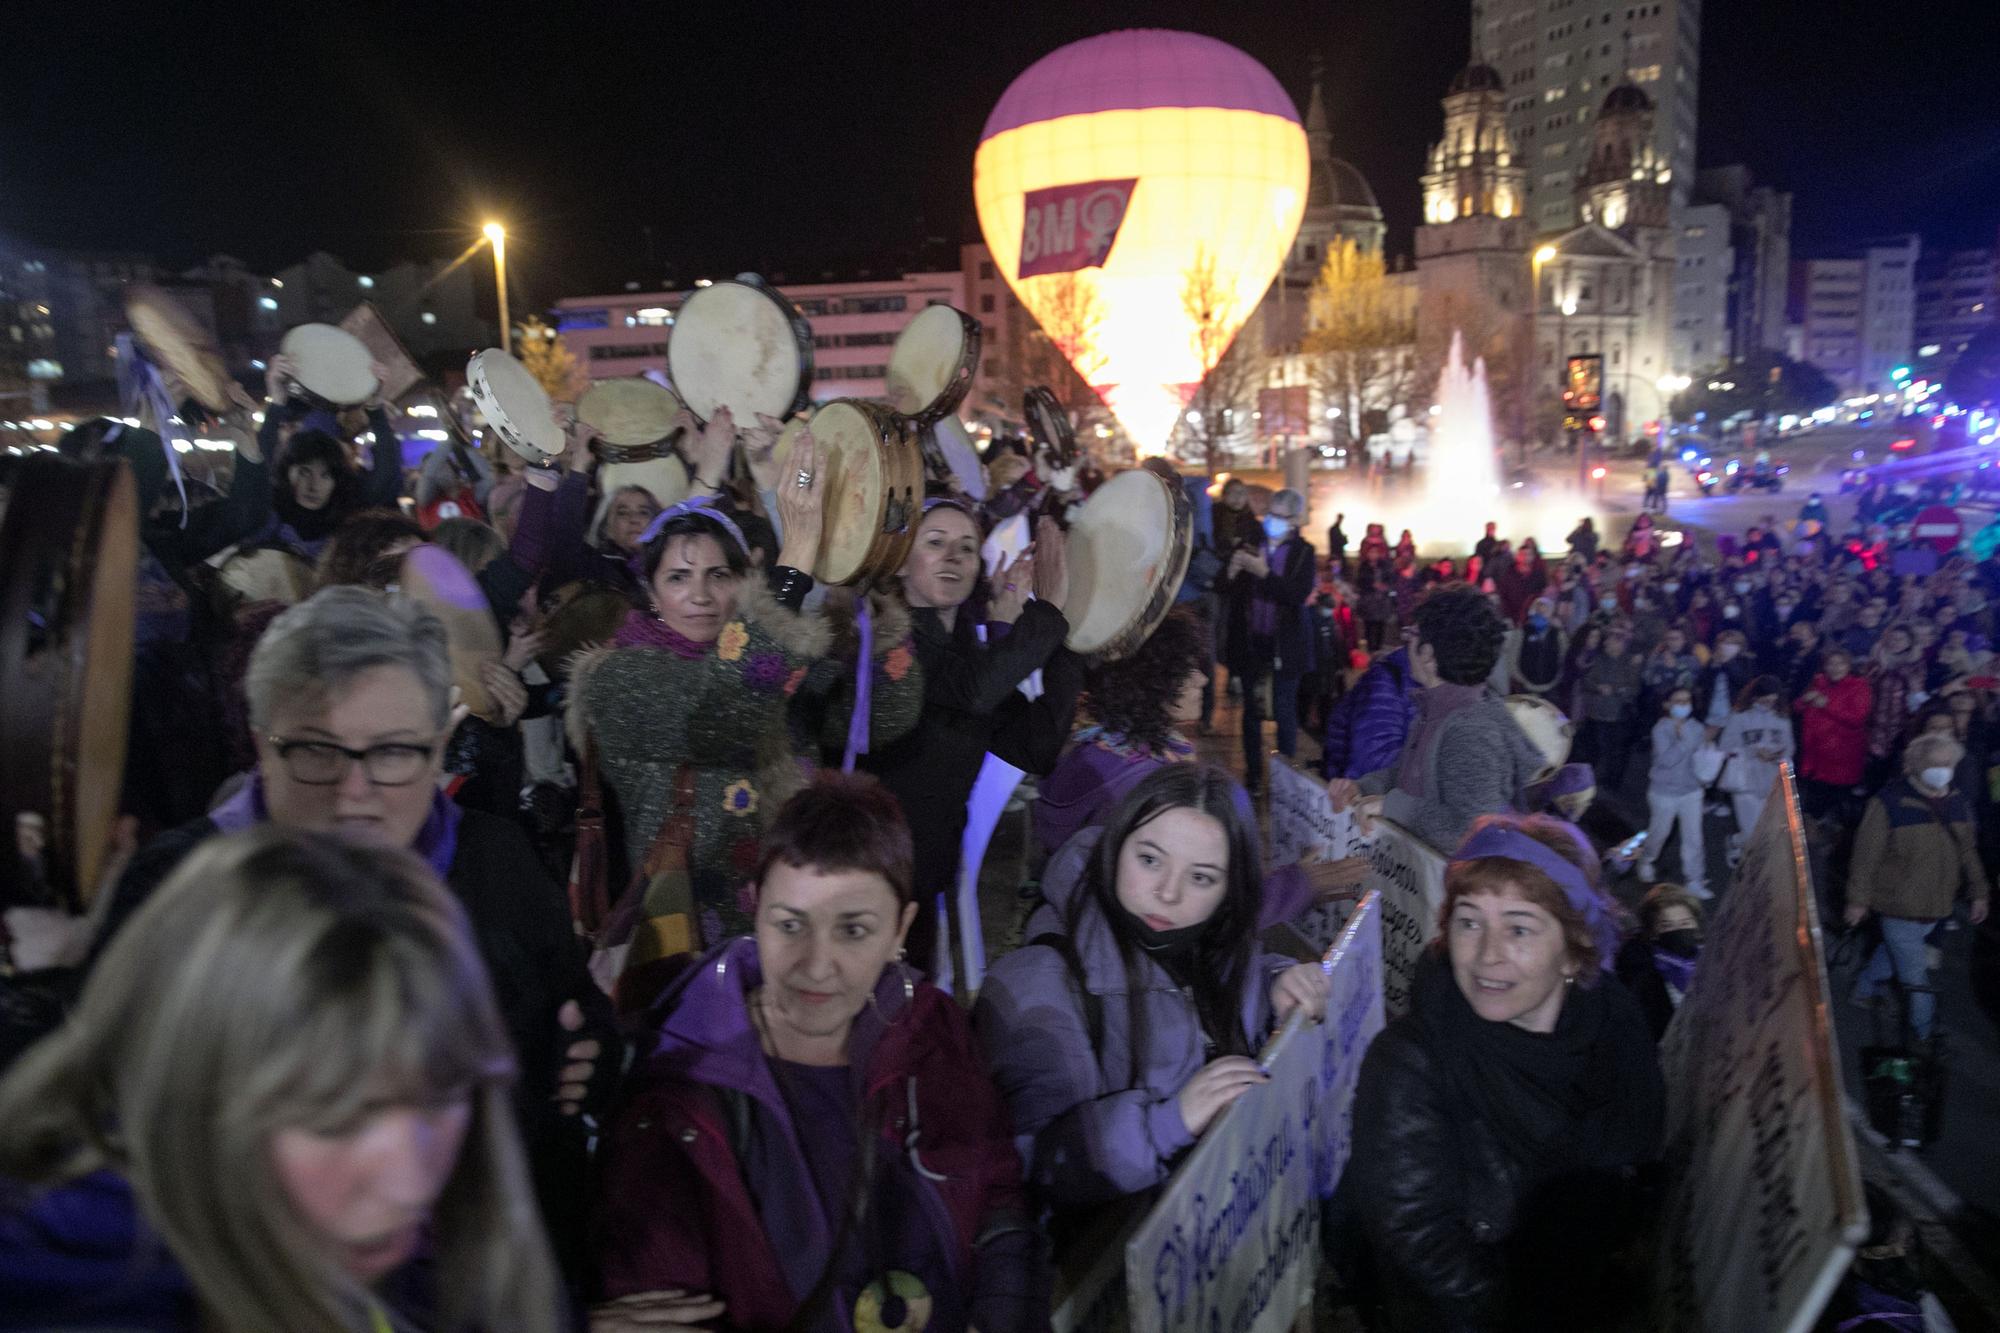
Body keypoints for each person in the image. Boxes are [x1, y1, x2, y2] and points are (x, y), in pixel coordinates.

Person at [24, 586, 621, 1281]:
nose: (353, 789)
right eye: (315, 749)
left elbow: (563, 1007)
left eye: (393, 751)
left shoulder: (496, 857)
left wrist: (588, 1052)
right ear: (260, 745)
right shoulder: (179, 888)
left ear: (437, 749)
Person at [0, 827, 563, 1331]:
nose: (410, 1187)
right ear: (189, 1092)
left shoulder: (399, 1266)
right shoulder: (64, 1293)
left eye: (443, 1097)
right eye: (337, 1119)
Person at [591, 773, 1044, 1333]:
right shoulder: (679, 1099)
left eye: (853, 930)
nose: (816, 966)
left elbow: (995, 1192)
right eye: (790, 925)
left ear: (901, 928)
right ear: (755, 909)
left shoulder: (932, 1027)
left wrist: (1002, 1311)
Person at [571, 476, 922, 997]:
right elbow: (724, 703)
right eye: (678, 577)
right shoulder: (617, 678)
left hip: (800, 916)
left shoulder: (776, 662)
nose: (700, 595)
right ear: (650, 590)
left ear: (744, 582)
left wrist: (859, 610)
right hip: (692, 929)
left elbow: (881, 716)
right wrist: (796, 560)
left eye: (720, 574)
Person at [1344, 814, 1664, 1332]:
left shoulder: (1618, 1024)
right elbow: (1421, 1243)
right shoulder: (1409, 1063)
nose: (1487, 956)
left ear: (1573, 944)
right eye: (1469, 921)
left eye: (1519, 928)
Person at [976, 765, 1329, 1222]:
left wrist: (1275, 982)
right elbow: (1024, 1170)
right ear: (1116, 845)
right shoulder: (1038, 993)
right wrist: (1166, 1124)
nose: (1167, 893)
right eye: (1149, 859)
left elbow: (1205, 998)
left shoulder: (1211, 939)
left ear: (1229, 889)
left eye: (1201, 877)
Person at [862, 501, 1083, 981]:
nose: (954, 557)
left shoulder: (964, 652)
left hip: (925, 876)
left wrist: (1067, 644)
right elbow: (976, 690)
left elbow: (1036, 746)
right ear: (900, 561)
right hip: (869, 873)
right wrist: (1046, 612)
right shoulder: (883, 639)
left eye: (966, 548)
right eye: (935, 543)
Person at [1328, 583, 1544, 853]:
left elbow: (1471, 829)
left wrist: (1394, 806)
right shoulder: (1438, 709)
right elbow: (1406, 772)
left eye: (1412, 634)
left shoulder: (1471, 728)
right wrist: (1361, 787)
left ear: (1429, 655)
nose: (1407, 643)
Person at [1844, 732, 1992, 1040]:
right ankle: (1923, 1034)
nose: (1944, 769)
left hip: (1937, 907)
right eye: (1936, 763)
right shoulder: (1889, 803)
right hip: (1899, 907)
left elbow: (1967, 852)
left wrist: (1979, 892)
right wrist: (1857, 900)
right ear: (1914, 766)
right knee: (1916, 976)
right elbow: (1865, 856)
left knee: (1891, 952)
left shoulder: (1957, 802)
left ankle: (1863, 988)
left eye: (1948, 763)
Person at [1224, 487, 1317, 788]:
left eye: (1280, 517)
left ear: (1293, 520)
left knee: (1284, 710)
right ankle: (1253, 774)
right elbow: (1235, 594)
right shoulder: (1255, 544)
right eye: (1270, 515)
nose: (1272, 522)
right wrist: (1232, 571)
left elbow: (1296, 595)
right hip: (1254, 641)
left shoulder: (1304, 553)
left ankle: (1284, 778)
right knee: (1251, 710)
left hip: (1285, 645)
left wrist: (1265, 574)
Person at [1638, 686, 1709, 899]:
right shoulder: (1661, 728)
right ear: (1667, 705)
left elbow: (1700, 755)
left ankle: (1694, 879)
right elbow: (1666, 760)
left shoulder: (1696, 727)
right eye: (1677, 701)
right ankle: (1646, 859)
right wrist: (1685, 741)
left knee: (1694, 838)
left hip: (1691, 791)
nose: (1683, 705)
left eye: (1686, 700)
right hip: (1664, 793)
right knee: (1659, 833)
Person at [1614, 883, 1706, 1041]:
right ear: (1653, 932)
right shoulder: (1646, 979)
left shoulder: (1711, 956)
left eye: (1685, 923)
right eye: (1667, 926)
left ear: (1696, 925)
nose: (1678, 931)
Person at [1715, 676, 1794, 857]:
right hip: (1745, 781)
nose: (1768, 704)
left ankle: (1740, 846)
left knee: (1768, 829)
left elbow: (1790, 746)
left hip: (1772, 779)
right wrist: (1753, 752)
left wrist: (1778, 754)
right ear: (1755, 696)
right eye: (1765, 700)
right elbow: (1725, 746)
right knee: (1751, 833)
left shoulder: (1782, 719)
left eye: (1772, 701)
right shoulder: (1739, 718)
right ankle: (1737, 844)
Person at [1796, 647, 1873, 821]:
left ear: (1848, 666)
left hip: (1841, 756)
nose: (1835, 668)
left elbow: (1857, 719)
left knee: (1838, 804)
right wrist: (1803, 701)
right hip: (1816, 754)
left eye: (1841, 663)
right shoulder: (1818, 682)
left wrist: (1827, 705)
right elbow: (1799, 707)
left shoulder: (1858, 686)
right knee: (1815, 802)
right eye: (1831, 663)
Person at [1577, 620, 1643, 796]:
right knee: (1593, 749)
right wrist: (1598, 687)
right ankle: (1589, 780)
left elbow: (1634, 689)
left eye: (1610, 640)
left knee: (1616, 752)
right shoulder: (1599, 660)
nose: (1605, 643)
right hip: (1597, 714)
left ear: (1620, 643)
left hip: (1618, 716)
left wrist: (1617, 690)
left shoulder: (1630, 663)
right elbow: (1588, 681)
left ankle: (1612, 783)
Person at [1504, 596, 1567, 698]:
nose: (1541, 615)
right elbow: (1512, 659)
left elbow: (1563, 659)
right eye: (1538, 612)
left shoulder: (1558, 635)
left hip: (1550, 688)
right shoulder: (1522, 632)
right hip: (1527, 688)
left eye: (1544, 613)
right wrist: (1522, 680)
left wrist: (1557, 679)